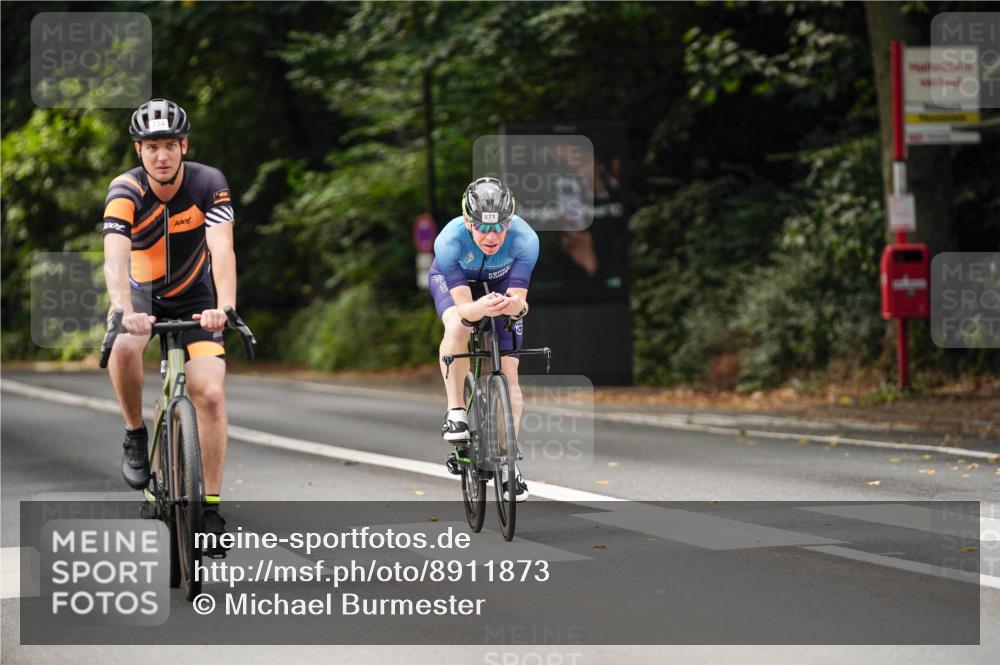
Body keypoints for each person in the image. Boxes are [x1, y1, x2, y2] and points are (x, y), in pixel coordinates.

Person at [102, 98, 237, 554]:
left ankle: (212, 509)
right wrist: (122, 307)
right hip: (140, 297)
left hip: (197, 301)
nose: (161, 155)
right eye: (151, 146)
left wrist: (226, 306)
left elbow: (222, 249)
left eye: (169, 146)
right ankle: (135, 435)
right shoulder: (124, 190)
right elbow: (115, 258)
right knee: (124, 346)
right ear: (139, 151)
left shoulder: (208, 183)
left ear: (184, 146)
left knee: (211, 394)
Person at [428, 177, 539, 502]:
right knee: (458, 326)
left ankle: (509, 465)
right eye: (482, 228)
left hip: (500, 284)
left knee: (509, 372)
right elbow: (464, 310)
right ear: (468, 222)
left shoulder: (526, 240)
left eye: (500, 227)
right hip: (457, 286)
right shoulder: (449, 241)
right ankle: (456, 410)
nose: (491, 236)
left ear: (510, 222)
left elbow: (519, 301)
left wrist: (515, 307)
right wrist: (479, 308)